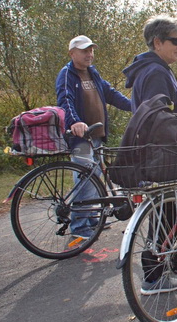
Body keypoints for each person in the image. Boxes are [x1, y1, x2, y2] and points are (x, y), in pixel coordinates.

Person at [122, 15, 177, 295]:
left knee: (163, 213)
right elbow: (162, 119)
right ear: (157, 42)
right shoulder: (156, 72)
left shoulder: (151, 68)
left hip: (155, 151)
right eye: (175, 41)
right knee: (165, 215)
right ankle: (154, 277)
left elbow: (167, 111)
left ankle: (159, 271)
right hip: (162, 153)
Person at [56, 35, 131, 239]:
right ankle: (80, 228)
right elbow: (65, 100)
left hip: (96, 135)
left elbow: (111, 94)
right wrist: (74, 122)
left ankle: (92, 220)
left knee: (94, 177)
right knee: (84, 178)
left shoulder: (92, 73)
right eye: (84, 50)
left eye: (91, 50)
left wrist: (134, 106)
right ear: (72, 53)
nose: (89, 54)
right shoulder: (67, 74)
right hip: (80, 137)